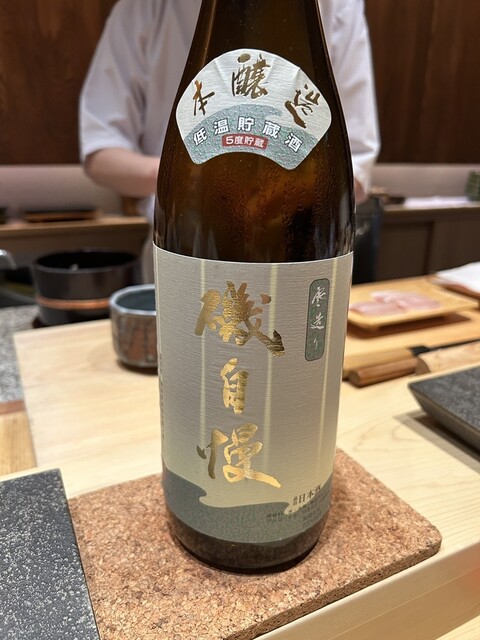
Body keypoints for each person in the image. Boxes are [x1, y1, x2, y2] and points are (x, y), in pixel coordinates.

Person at [80, 0, 380, 280]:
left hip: (299, 252)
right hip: (181, 246)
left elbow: (356, 162)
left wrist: (266, 197)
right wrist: (202, 183)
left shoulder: (337, 7)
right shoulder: (143, 7)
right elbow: (100, 149)